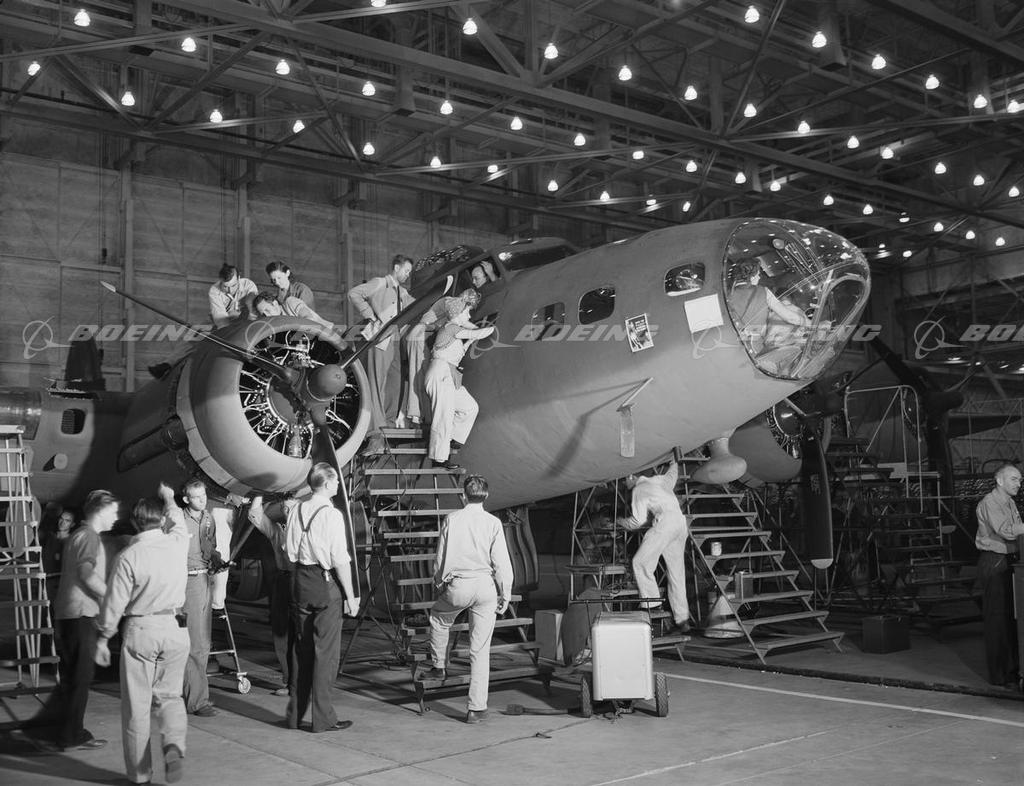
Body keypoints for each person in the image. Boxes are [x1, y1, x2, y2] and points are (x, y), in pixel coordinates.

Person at [95, 484, 190, 785]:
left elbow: (114, 603)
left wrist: (103, 637)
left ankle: (140, 776)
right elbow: (178, 518)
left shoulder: (129, 556)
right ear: (161, 520)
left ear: (136, 523)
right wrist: (169, 497)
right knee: (171, 697)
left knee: (136, 707)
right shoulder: (178, 542)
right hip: (175, 627)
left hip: (142, 629)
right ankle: (173, 744)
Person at [422, 474, 513, 724]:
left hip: (459, 585)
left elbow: (441, 556)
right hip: (485, 587)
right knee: (480, 650)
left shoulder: (452, 519)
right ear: (486, 496)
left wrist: (439, 582)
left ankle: (439, 666)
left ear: (463, 495)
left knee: (439, 619)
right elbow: (502, 562)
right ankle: (476, 709)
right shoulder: (493, 522)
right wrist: (505, 593)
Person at [283, 463, 358, 732]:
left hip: (298, 581)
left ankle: (294, 716)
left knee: (301, 651)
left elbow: (287, 549)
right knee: (325, 654)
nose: (338, 484)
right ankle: (323, 719)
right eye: (336, 481)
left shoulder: (296, 509)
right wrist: (351, 595)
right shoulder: (331, 515)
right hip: (322, 583)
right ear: (326, 484)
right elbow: (340, 559)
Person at [52, 489, 118, 751]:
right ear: (100, 512)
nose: (116, 517)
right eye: (113, 512)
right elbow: (86, 573)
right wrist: (111, 596)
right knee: (80, 678)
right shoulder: (89, 536)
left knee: (73, 678)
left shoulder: (78, 535)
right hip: (80, 613)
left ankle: (68, 731)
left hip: (68, 612)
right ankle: (71, 735)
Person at [618, 462, 691, 632]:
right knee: (676, 573)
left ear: (631, 477)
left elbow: (637, 521)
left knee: (640, 562)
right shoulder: (659, 480)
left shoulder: (639, 490)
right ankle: (682, 619)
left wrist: (620, 522)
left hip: (665, 524)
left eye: (623, 481)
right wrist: (674, 462)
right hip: (680, 524)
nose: (624, 485)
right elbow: (672, 475)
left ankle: (652, 604)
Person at [348, 255, 416, 432]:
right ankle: (376, 426)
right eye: (406, 270)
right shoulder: (380, 283)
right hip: (379, 338)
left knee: (395, 380)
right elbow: (354, 293)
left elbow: (416, 306)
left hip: (395, 339)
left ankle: (389, 421)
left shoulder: (402, 292)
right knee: (377, 380)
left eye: (409, 272)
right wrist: (370, 316)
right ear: (396, 268)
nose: (408, 275)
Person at [424, 299, 494, 470]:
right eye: (466, 312)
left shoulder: (453, 331)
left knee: (470, 408)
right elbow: (476, 333)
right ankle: (439, 459)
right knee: (444, 417)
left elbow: (466, 340)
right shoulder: (450, 327)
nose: (469, 316)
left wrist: (470, 338)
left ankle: (452, 440)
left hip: (449, 374)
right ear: (457, 313)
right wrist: (493, 328)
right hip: (440, 373)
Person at [975, 464, 1024, 687]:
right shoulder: (990, 502)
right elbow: (1007, 531)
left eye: (1020, 480)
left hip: (1010, 561)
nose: (1018, 484)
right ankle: (1001, 675)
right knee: (998, 619)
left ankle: (1013, 670)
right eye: (1014, 479)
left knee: (1012, 618)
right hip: (995, 562)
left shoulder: (1010, 502)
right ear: (1000, 480)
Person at [177, 478, 222, 717]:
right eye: (197, 497)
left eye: (204, 495)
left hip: (204, 580)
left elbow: (210, 547)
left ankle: (195, 696)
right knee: (192, 642)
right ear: (186, 499)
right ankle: (195, 700)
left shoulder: (208, 519)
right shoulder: (176, 520)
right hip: (185, 581)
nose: (203, 500)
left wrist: (216, 558)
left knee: (202, 643)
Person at [405, 289, 481, 426]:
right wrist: (478, 330)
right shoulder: (450, 302)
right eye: (469, 309)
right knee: (418, 375)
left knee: (421, 375)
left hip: (425, 337)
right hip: (420, 337)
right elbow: (461, 322)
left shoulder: (452, 304)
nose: (468, 314)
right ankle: (416, 414)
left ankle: (420, 414)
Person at [248, 495, 298, 696]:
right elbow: (255, 515)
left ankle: (302, 682)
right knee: (281, 633)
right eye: (285, 508)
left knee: (301, 633)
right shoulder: (278, 531)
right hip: (282, 581)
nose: (288, 512)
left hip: (302, 581)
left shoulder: (307, 530)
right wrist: (260, 493)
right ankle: (290, 681)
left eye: (292, 508)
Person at [729, 262, 810, 354]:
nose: (759, 278)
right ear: (752, 277)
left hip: (728, 343)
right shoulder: (763, 291)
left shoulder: (726, 295)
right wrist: (812, 324)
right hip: (753, 348)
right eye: (758, 275)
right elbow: (790, 317)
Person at [39, 504, 76, 654]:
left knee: (60, 620)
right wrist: (44, 513)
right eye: (61, 518)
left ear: (72, 524)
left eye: (67, 520)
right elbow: (32, 532)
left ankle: (61, 652)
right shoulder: (49, 537)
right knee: (46, 618)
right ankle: (46, 650)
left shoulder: (72, 541)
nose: (62, 522)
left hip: (62, 583)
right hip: (46, 582)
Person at [253, 291, 341, 341]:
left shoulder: (290, 302)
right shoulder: (276, 326)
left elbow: (309, 319)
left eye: (267, 310)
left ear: (275, 304)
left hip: (332, 334)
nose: (267, 315)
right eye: (263, 314)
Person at [208, 263, 258, 329]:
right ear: (220, 280)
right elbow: (221, 321)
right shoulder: (214, 291)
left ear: (239, 278)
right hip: (226, 324)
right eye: (225, 286)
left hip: (245, 322)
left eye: (233, 285)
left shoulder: (248, 285)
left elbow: (254, 311)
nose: (230, 290)